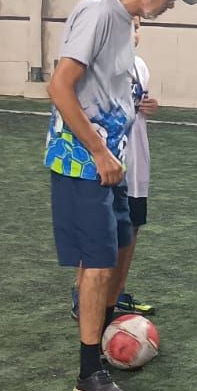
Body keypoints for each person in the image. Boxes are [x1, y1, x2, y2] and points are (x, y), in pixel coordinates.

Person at [48, 0, 196, 391]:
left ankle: (103, 339)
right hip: (83, 162)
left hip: (111, 163)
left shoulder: (124, 20)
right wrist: (98, 151)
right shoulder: (98, 12)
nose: (170, 6)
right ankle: (88, 371)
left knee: (119, 245)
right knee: (96, 262)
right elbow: (59, 86)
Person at [69, 18, 157, 321]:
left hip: (136, 161)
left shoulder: (140, 66)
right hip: (103, 162)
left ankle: (115, 294)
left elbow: (134, 106)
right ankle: (83, 295)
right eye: (127, 26)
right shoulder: (91, 67)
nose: (133, 33)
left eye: (137, 27)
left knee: (130, 228)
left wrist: (149, 107)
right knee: (99, 232)